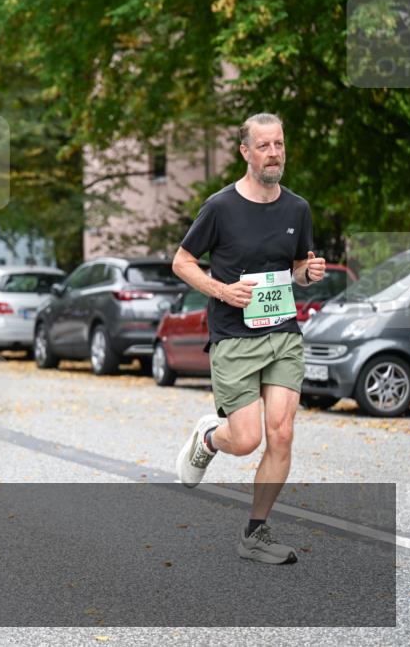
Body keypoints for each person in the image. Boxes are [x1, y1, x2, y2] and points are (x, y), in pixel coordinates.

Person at [173, 113, 326, 564]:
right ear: (245, 152)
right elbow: (182, 261)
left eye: (279, 144)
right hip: (234, 337)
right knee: (246, 441)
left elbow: (297, 267)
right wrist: (222, 291)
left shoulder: (297, 208)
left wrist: (309, 273)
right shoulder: (220, 207)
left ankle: (255, 532)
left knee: (281, 433)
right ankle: (209, 439)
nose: (274, 153)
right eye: (264, 146)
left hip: (281, 332)